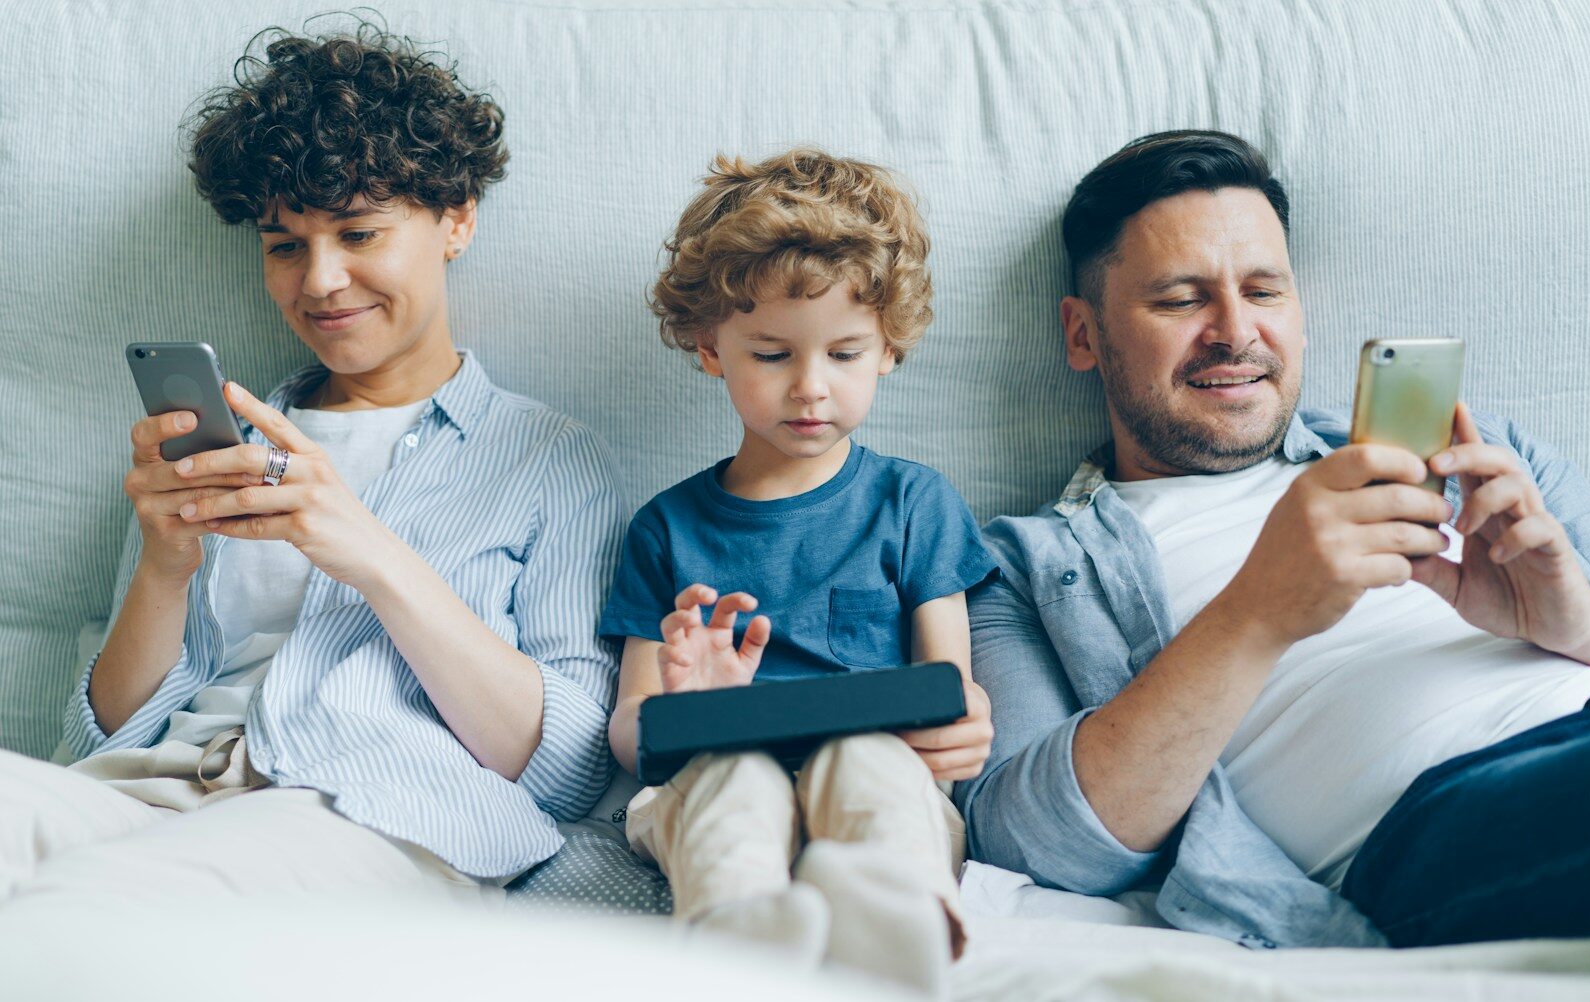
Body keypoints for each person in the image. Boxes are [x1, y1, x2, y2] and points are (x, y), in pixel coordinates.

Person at [0, 22, 624, 906]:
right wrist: (164, 569)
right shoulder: (222, 445)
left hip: (365, 810)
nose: (320, 281)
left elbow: (569, 770)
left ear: (456, 220)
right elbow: (103, 736)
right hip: (152, 793)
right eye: (285, 245)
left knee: (111, 898)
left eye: (359, 233)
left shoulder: (548, 461)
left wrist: (368, 552)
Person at [955, 130, 1590, 949]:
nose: (1236, 331)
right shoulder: (1017, 570)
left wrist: (1579, 622)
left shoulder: (1487, 452)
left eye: (1264, 290)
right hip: (1451, 820)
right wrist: (1260, 609)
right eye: (1180, 300)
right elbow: (1029, 844)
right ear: (1083, 334)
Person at [600, 149, 997, 994]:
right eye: (773, 355)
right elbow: (631, 734)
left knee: (866, 762)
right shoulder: (666, 528)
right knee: (735, 778)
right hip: (709, 773)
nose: (811, 388)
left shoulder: (915, 504)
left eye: (844, 354)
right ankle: (740, 943)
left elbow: (950, 692)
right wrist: (684, 709)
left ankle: (900, 931)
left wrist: (963, 728)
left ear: (888, 349)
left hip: (879, 778)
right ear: (711, 347)